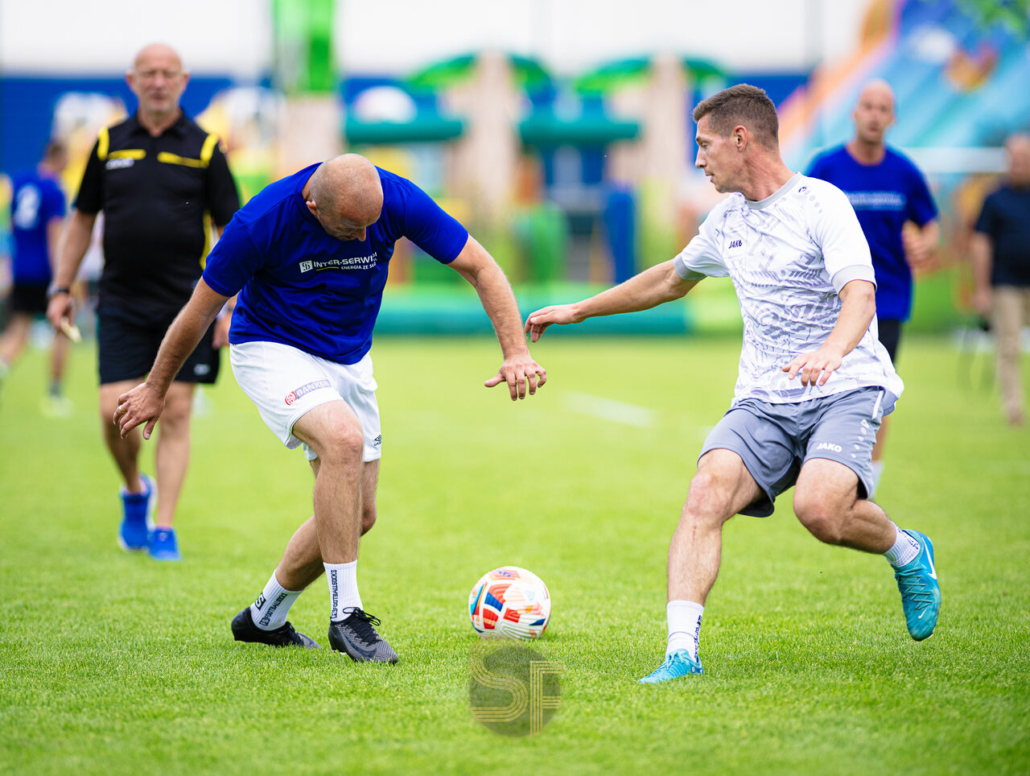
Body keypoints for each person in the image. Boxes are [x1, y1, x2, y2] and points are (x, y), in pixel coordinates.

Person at [525, 84, 941, 683]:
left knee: (821, 510)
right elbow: (669, 279)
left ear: (740, 139)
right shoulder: (726, 221)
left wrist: (830, 350)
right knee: (705, 494)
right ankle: (681, 654)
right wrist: (578, 309)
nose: (698, 159)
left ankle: (907, 550)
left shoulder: (822, 203)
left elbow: (860, 294)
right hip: (764, 398)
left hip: (845, 384)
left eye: (705, 144)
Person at [114, 153, 547, 663]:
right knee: (343, 440)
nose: (365, 238)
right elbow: (199, 310)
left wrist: (515, 351)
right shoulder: (258, 223)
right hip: (271, 347)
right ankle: (347, 616)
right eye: (350, 227)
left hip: (349, 358)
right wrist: (156, 386)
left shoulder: (397, 198)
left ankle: (263, 618)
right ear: (313, 206)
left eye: (370, 225)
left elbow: (480, 266)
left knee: (357, 515)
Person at [46, 44, 240, 561]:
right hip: (121, 301)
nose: (158, 82)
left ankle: (164, 528)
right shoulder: (108, 143)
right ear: (132, 81)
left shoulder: (206, 148)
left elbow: (232, 232)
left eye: (167, 73)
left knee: (176, 411)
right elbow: (81, 220)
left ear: (184, 80)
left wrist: (230, 306)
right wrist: (61, 288)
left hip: (189, 306)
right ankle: (135, 490)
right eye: (148, 73)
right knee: (112, 412)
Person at [807, 80, 939, 497]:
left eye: (883, 108)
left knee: (877, 394)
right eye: (868, 106)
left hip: (889, 301)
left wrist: (925, 243)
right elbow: (801, 220)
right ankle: (822, 466)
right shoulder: (827, 168)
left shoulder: (904, 172)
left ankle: (867, 485)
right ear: (855, 112)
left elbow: (930, 224)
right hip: (833, 303)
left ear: (892, 117)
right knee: (827, 385)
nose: (875, 115)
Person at [1, 140, 71, 415]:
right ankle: (55, 394)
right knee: (62, 328)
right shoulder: (54, 189)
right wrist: (62, 280)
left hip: (21, 269)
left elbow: (11, 226)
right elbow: (55, 236)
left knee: (18, 330)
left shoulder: (19, 182)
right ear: (59, 157)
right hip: (45, 272)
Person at [972, 133, 1030, 427]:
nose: (1018, 164)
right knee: (1008, 347)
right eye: (1014, 158)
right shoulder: (994, 199)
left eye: (1024, 158)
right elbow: (981, 244)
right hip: (1005, 283)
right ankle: (1014, 409)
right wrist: (982, 288)